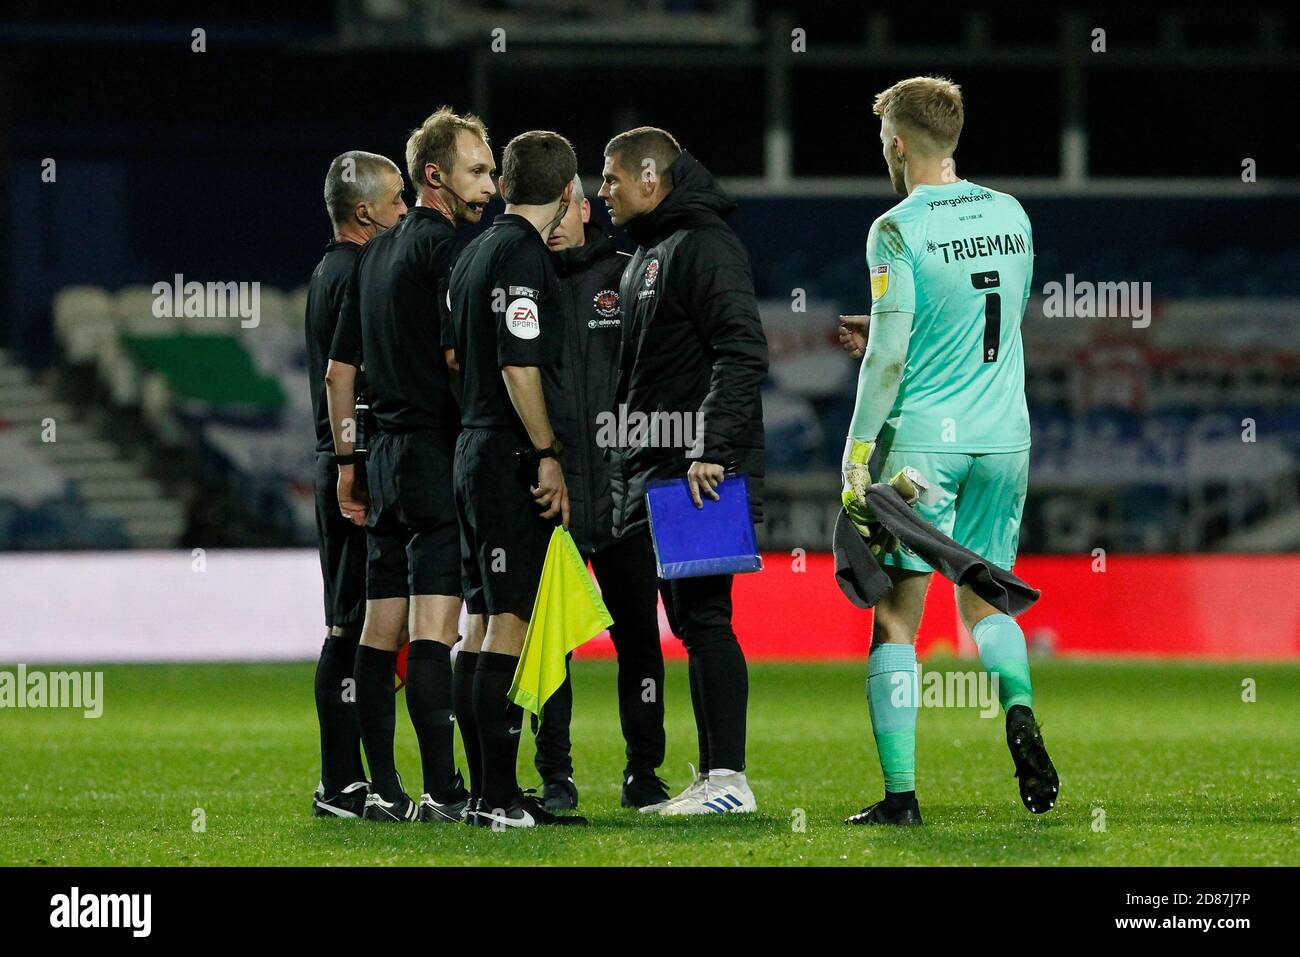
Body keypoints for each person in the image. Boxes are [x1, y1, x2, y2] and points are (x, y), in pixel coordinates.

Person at [838, 75, 1059, 825]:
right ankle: (1021, 708)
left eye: (882, 142)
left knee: (897, 618)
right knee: (987, 597)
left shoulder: (895, 227)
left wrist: (857, 451)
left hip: (924, 444)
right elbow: (987, 324)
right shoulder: (1013, 213)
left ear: (898, 143)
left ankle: (901, 796)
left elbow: (891, 358)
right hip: (1004, 436)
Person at [326, 108, 497, 823]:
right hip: (433, 450)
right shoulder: (445, 252)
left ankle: (384, 790)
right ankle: (443, 790)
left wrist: (350, 458)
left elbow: (346, 371)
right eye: (478, 171)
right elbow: (459, 356)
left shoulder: (372, 258)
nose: (488, 186)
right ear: (437, 176)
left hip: (384, 456)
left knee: (377, 629)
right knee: (434, 629)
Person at [598, 128, 768, 816]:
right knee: (691, 619)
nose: (601, 191)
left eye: (610, 178)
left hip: (700, 468)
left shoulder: (704, 245)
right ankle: (713, 777)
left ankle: (728, 779)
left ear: (649, 176)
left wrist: (713, 449)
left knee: (704, 618)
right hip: (664, 466)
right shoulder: (652, 253)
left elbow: (742, 350)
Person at [448, 130, 587, 828]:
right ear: (567, 192)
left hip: (472, 448)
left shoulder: (474, 252)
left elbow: (456, 356)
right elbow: (517, 363)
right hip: (506, 455)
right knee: (510, 622)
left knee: (479, 626)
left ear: (505, 184)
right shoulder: (523, 256)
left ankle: (485, 792)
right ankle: (498, 797)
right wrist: (546, 451)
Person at [530, 175, 669, 811]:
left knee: (639, 637)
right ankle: (555, 776)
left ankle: (644, 771)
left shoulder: (630, 271)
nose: (558, 220)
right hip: (551, 492)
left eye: (569, 207)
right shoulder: (520, 278)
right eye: (549, 208)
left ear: (585, 209)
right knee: (549, 639)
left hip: (623, 491)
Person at [307, 150, 406, 818]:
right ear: (365, 211)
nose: (404, 210)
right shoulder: (362, 270)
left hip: (345, 459)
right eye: (396, 199)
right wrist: (353, 465)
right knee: (350, 628)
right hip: (356, 465)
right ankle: (342, 781)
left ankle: (350, 779)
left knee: (358, 624)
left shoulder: (327, 269)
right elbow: (343, 379)